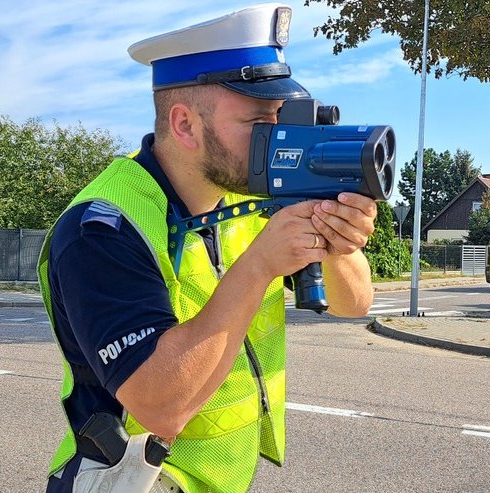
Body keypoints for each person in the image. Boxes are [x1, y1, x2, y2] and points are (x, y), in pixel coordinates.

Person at [38, 4, 376, 492]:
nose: (275, 138)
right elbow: (161, 407)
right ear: (185, 125)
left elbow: (354, 303)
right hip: (132, 480)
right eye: (259, 122)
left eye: (278, 119)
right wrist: (259, 266)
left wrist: (336, 236)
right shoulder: (103, 228)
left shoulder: (251, 195)